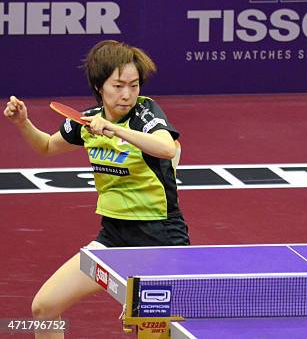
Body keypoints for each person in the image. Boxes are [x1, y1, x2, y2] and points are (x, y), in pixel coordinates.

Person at [4, 40, 189, 338]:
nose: (127, 94)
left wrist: (115, 129)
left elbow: (167, 148)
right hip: (113, 237)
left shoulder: (145, 113)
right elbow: (47, 146)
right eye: (118, 86)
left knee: (151, 332)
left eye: (134, 84)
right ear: (99, 85)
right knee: (44, 308)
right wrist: (24, 124)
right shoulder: (86, 121)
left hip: (159, 240)